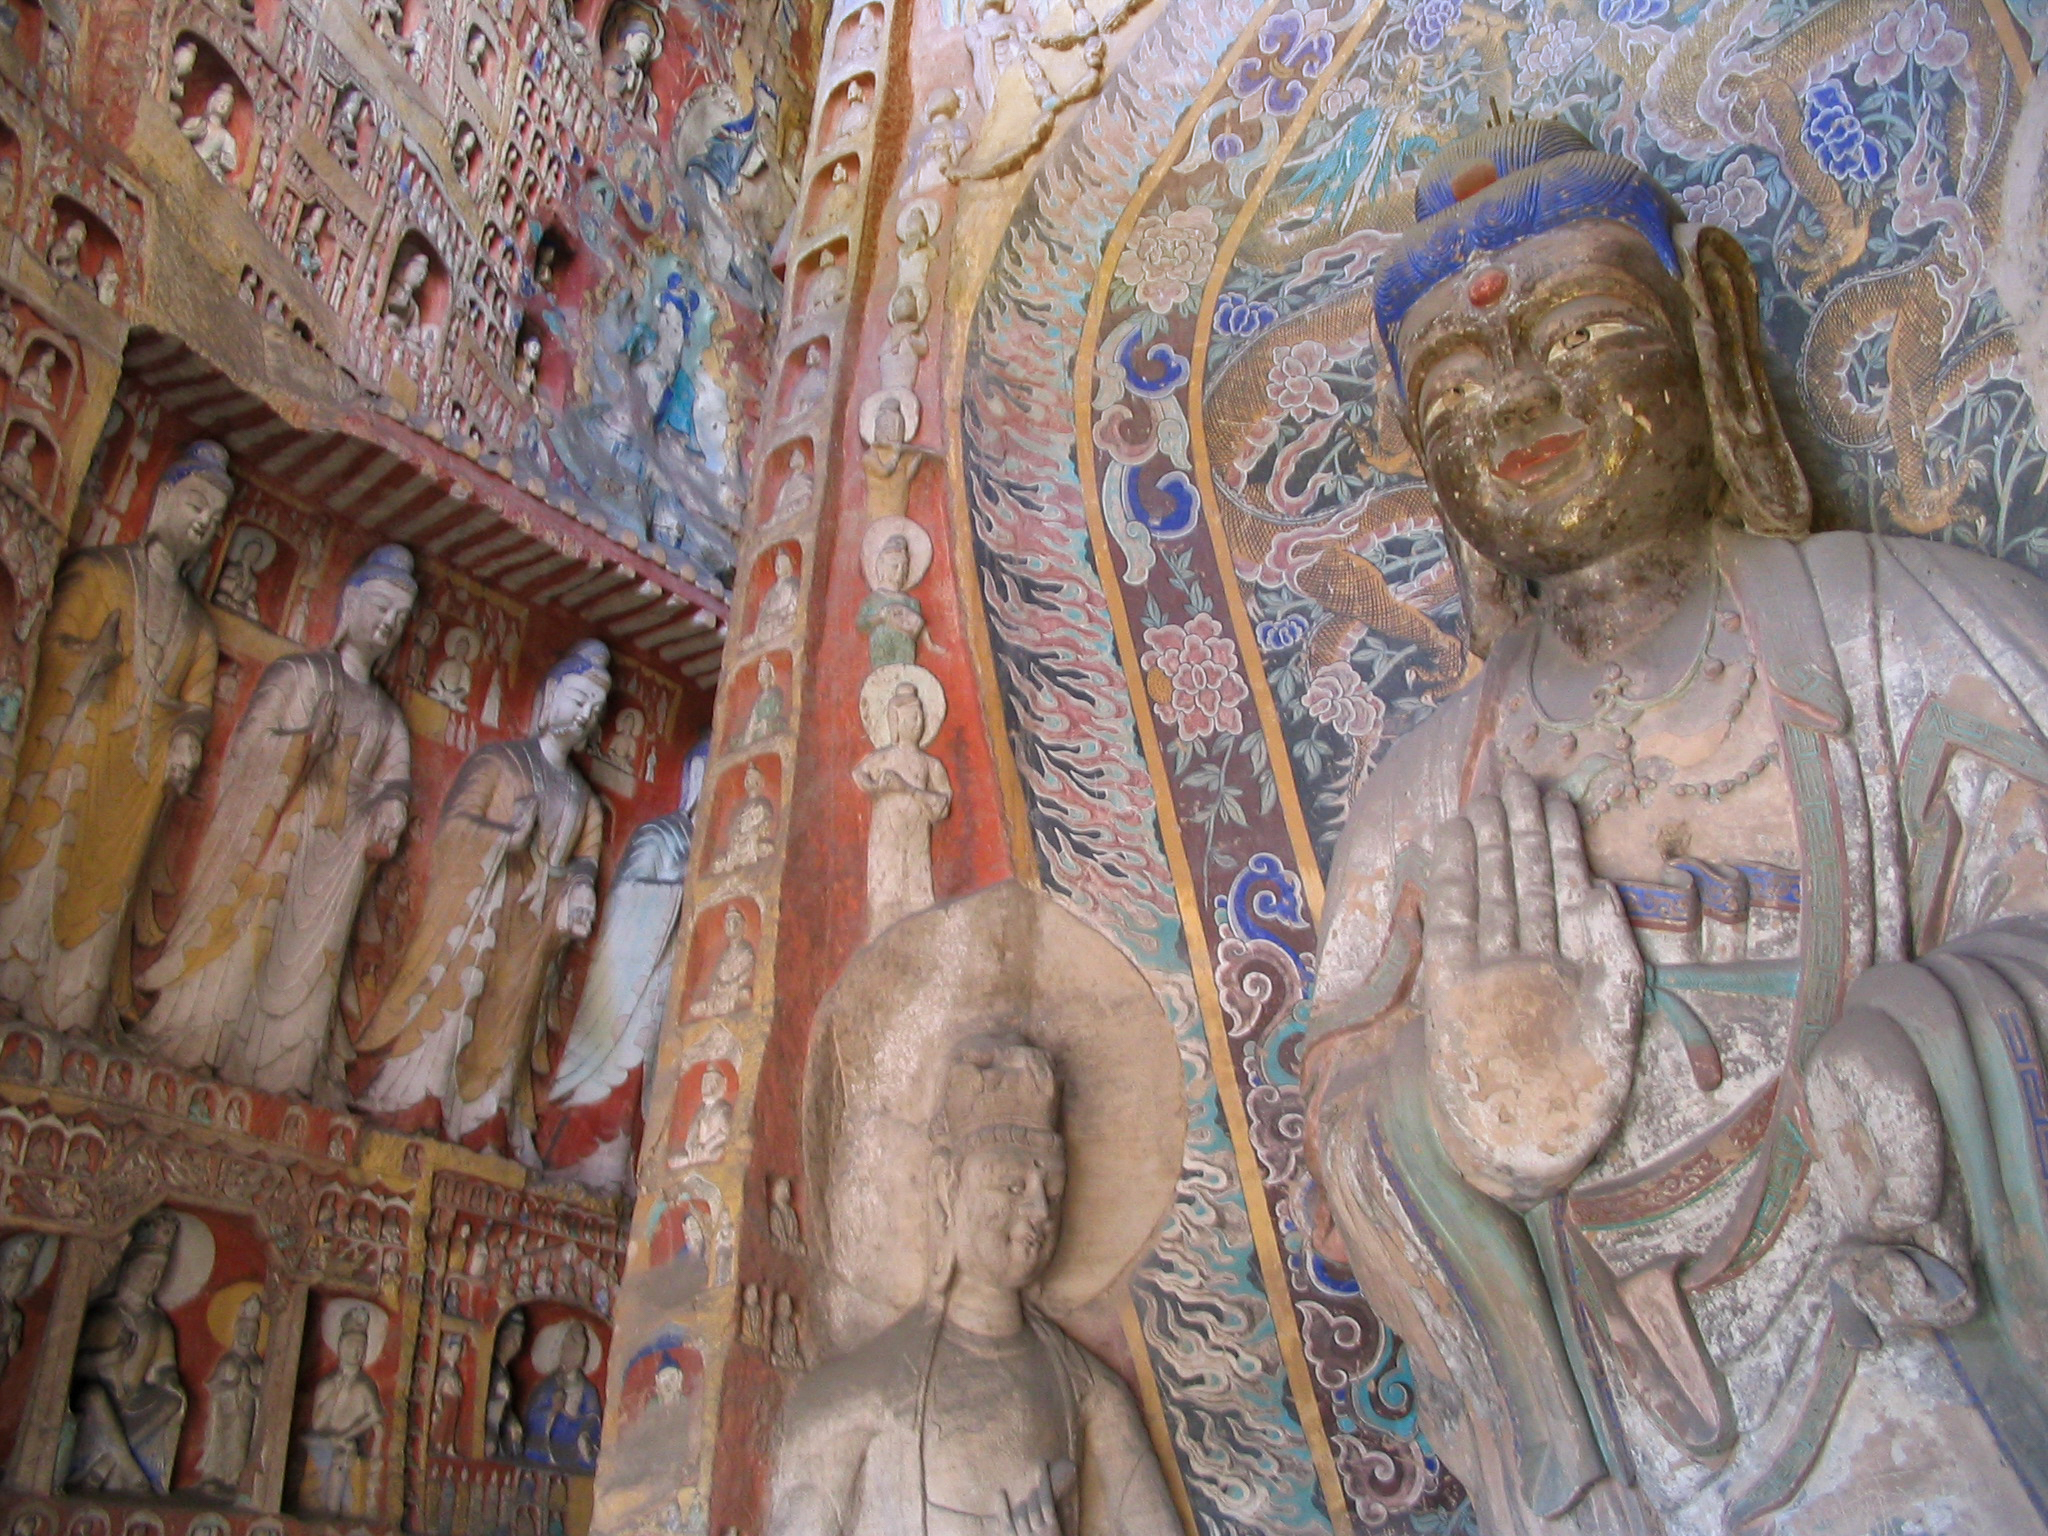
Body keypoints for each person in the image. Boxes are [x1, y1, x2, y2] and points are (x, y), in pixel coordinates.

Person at [1303, 120, 2048, 1535]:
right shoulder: (1424, 792)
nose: (1520, 404)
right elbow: (1342, 1130)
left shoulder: (1898, 626)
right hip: (1614, 1415)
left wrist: (1928, 1048)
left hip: (1920, 1357)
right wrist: (1471, 1119)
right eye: (1458, 384)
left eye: (1577, 332)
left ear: (1705, 335)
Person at [767, 1035, 1178, 1534]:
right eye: (1011, 1186)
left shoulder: (1091, 1395)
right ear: (946, 1187)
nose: (1039, 1212)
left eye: (1052, 1190)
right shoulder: (849, 1400)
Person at [136, 546, 416, 1103]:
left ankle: (288, 1069)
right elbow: (249, 745)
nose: (387, 624)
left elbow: (396, 780)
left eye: (398, 619)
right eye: (380, 607)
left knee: (314, 966)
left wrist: (391, 806)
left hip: (340, 853)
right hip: (280, 831)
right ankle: (207, 1040)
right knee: (248, 935)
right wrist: (299, 746)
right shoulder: (301, 672)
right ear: (352, 602)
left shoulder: (387, 714)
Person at [0, 440, 228, 1034]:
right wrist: (86, 660)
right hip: (76, 756)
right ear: (164, 499)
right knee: (45, 861)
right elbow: (48, 646)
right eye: (196, 504)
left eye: (215, 518)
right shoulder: (101, 572)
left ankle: (67, 1012)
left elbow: (197, 707)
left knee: (108, 894)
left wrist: (187, 739)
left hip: (138, 779)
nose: (204, 522)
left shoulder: (198, 627)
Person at [357, 642, 608, 1157]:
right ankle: (422, 1098)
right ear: (552, 694)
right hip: (480, 907)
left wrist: (580, 887)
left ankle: (485, 1119)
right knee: (456, 999)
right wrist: (503, 837)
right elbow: (455, 826)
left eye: (595, 710)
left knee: (509, 1020)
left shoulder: (583, 797)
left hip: (535, 927)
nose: (585, 715)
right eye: (579, 699)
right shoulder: (500, 761)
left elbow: (586, 857)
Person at [68, 1212, 186, 1495]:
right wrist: (109, 1357)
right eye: (148, 1269)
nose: (154, 1277)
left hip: (135, 1398)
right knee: (95, 1397)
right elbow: (75, 1365)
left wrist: (170, 1380)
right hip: (99, 1394)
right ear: (129, 1269)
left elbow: (163, 1367)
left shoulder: (158, 1323)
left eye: (159, 1271)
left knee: (170, 1401)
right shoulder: (105, 1313)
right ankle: (131, 1471)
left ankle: (105, 1466)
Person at [300, 1306, 383, 1516]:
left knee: (341, 1457)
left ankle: (333, 1512)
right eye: (350, 1345)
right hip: (323, 1439)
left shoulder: (365, 1385)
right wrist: (335, 1393)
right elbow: (318, 1424)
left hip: (349, 1442)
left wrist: (346, 1435)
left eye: (361, 1347)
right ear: (340, 1346)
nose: (355, 1351)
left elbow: (375, 1418)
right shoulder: (327, 1384)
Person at [194, 1294, 265, 1495]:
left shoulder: (258, 1364)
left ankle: (235, 1478)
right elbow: (213, 1385)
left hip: (246, 1414)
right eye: (242, 1330)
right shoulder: (227, 1360)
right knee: (220, 1442)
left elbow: (265, 1393)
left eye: (251, 1332)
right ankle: (215, 1476)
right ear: (236, 1331)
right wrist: (232, 1384)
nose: (246, 1335)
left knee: (241, 1445)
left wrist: (250, 1389)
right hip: (225, 1414)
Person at [522, 1321, 602, 1471]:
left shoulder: (588, 1390)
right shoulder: (547, 1386)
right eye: (572, 1343)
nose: (578, 1350)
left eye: (582, 1346)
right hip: (546, 1447)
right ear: (560, 1347)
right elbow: (532, 1417)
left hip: (575, 1447)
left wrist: (584, 1433)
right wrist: (552, 1410)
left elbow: (594, 1420)